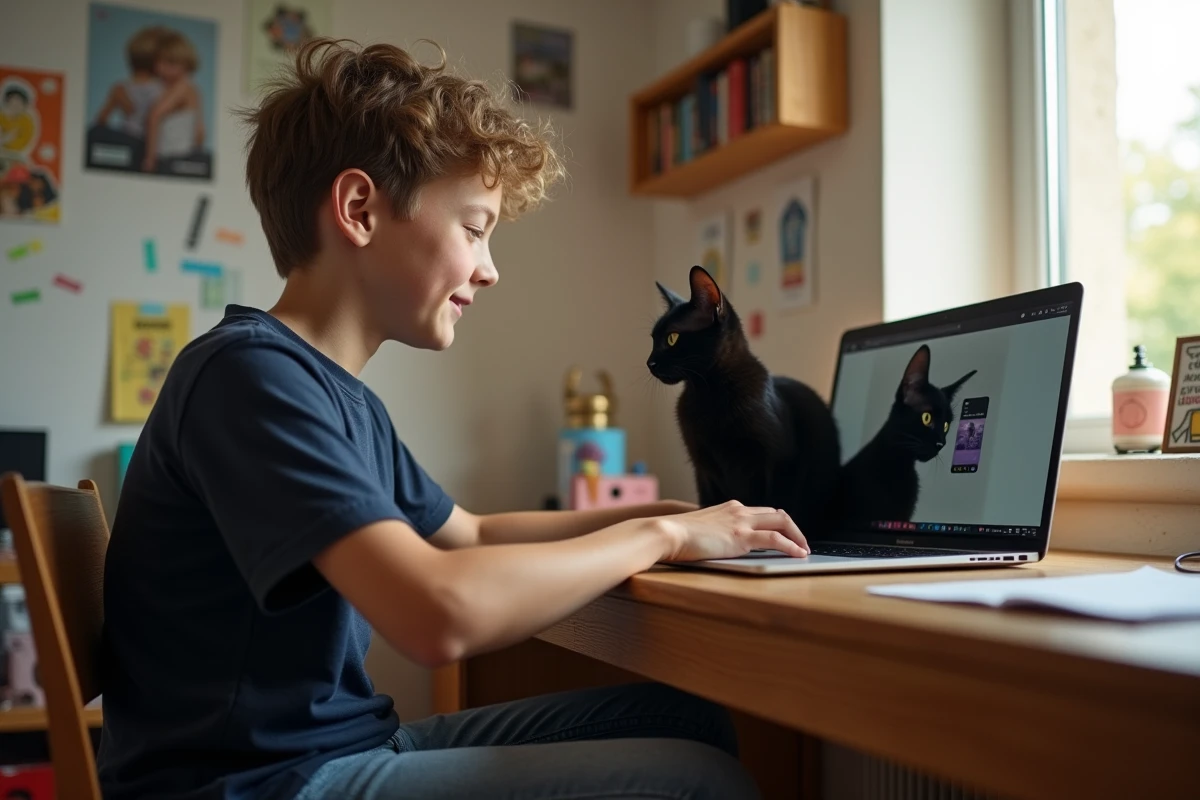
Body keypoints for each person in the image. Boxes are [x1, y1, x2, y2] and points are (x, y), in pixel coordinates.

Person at [97, 37, 808, 800]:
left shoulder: (335, 396)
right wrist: (658, 537)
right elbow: (436, 614)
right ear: (360, 209)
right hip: (258, 784)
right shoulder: (249, 378)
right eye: (474, 228)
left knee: (691, 720)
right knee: (699, 781)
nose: (490, 267)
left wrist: (681, 513)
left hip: (330, 749)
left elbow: (469, 533)